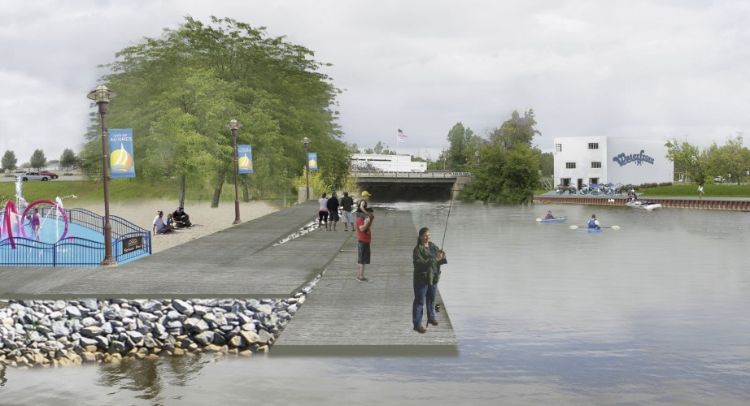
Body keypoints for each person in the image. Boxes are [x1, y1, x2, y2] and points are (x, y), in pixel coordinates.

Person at [412, 227, 446, 334]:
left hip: (433, 278)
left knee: (431, 299)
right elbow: (420, 264)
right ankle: (417, 324)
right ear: (421, 237)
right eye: (425, 235)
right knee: (419, 302)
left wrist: (442, 256)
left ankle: (431, 317)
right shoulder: (417, 249)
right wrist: (434, 259)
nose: (428, 237)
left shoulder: (433, 246)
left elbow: (440, 261)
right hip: (421, 280)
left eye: (429, 235)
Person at [356, 207, 375, 282]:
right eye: (370, 213)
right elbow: (362, 229)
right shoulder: (360, 219)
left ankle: (360, 275)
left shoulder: (364, 219)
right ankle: (360, 276)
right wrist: (368, 221)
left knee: (363, 260)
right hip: (362, 241)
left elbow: (367, 227)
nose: (371, 215)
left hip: (366, 241)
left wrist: (370, 220)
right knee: (362, 260)